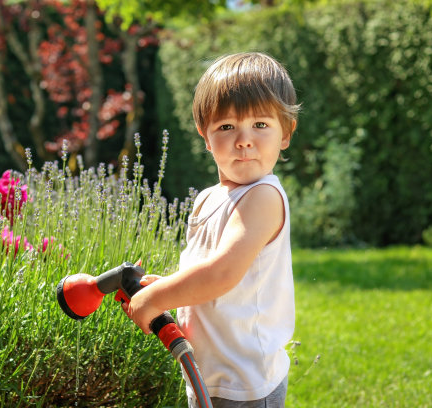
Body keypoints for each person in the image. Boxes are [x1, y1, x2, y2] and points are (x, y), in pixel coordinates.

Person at [123, 52, 300, 408]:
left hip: (246, 383)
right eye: (226, 127)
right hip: (210, 374)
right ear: (206, 136)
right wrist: (169, 285)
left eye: (261, 125)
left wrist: (156, 300)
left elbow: (221, 273)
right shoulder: (207, 199)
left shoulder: (263, 197)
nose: (244, 140)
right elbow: (203, 272)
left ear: (286, 134)